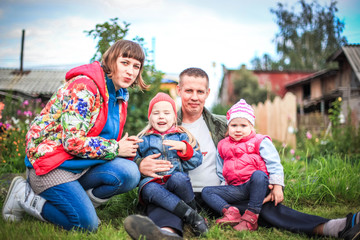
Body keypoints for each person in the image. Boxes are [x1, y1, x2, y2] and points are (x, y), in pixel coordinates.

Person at [124, 67, 360, 240]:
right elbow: (139, 148)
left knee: (263, 208)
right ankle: (166, 234)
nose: (194, 97)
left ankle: (335, 227)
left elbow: (258, 148)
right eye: (188, 91)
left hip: (218, 195)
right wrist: (140, 164)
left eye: (199, 91)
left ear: (207, 93)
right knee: (163, 203)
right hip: (178, 190)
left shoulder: (222, 125)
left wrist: (272, 182)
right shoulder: (163, 120)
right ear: (179, 91)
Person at [2, 39, 147, 231]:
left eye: (136, 66)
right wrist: (116, 148)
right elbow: (72, 142)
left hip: (80, 165)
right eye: (125, 63)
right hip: (50, 165)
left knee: (129, 173)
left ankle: (76, 203)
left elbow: (102, 136)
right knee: (87, 225)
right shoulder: (84, 88)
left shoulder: (119, 94)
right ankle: (25, 197)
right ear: (111, 61)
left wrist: (126, 149)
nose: (131, 71)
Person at [125, 92, 207, 238]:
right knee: (149, 188)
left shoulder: (182, 136)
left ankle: (190, 213)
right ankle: (193, 218)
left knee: (179, 179)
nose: (161, 116)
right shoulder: (143, 139)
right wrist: (134, 157)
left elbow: (196, 160)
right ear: (150, 118)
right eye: (156, 113)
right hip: (154, 185)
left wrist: (185, 149)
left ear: (174, 117)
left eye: (166, 113)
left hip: (176, 185)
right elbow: (132, 164)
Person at [201, 98, 284, 232]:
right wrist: (225, 188)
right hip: (238, 189)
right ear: (228, 127)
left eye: (243, 126)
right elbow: (221, 170)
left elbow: (274, 163)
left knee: (258, 175)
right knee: (207, 191)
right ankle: (231, 212)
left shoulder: (259, 141)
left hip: (259, 185)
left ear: (251, 126)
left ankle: (251, 219)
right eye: (234, 126)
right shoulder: (223, 145)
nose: (238, 129)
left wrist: (278, 186)